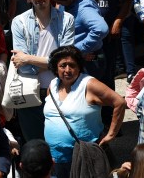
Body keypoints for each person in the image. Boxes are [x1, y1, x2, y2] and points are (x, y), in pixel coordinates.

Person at [44, 46, 126, 178]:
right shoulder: (53, 85)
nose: (67, 70)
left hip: (83, 158)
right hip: (55, 159)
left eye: (72, 65)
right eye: (63, 65)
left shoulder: (88, 84)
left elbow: (119, 102)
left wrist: (111, 134)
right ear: (55, 67)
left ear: (79, 67)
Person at [11, 0, 75, 141]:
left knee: (61, 141)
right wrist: (55, 63)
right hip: (30, 92)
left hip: (59, 89)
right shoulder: (19, 22)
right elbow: (20, 64)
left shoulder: (66, 19)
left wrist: (29, 58)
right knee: (35, 143)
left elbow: (67, 60)